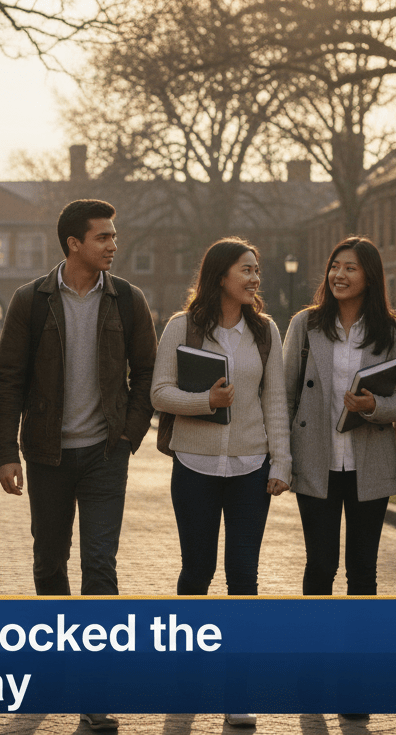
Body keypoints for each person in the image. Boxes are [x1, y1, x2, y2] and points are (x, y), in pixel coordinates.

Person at [0, 199, 155, 733]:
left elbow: (146, 370)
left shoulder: (128, 300)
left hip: (105, 454)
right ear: (73, 244)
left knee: (101, 567)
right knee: (49, 562)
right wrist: (5, 453)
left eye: (114, 235)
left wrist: (129, 434)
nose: (113, 243)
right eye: (103, 236)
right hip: (47, 454)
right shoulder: (30, 300)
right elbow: (9, 378)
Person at [148, 237, 289, 729]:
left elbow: (276, 401)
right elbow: (159, 393)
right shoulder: (181, 327)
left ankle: (239, 689)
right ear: (220, 275)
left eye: (257, 270)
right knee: (196, 572)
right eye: (246, 270)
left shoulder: (267, 331)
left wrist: (281, 465)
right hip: (195, 465)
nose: (254, 279)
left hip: (252, 466)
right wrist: (205, 401)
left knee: (243, 578)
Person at [283, 238, 396, 599]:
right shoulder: (304, 325)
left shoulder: (390, 331)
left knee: (363, 569)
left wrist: (372, 407)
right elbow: (284, 396)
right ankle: (318, 647)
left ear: (369, 277)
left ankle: (358, 649)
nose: (338, 274)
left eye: (350, 268)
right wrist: (281, 458)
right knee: (320, 565)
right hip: (315, 461)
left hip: (369, 461)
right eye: (335, 266)